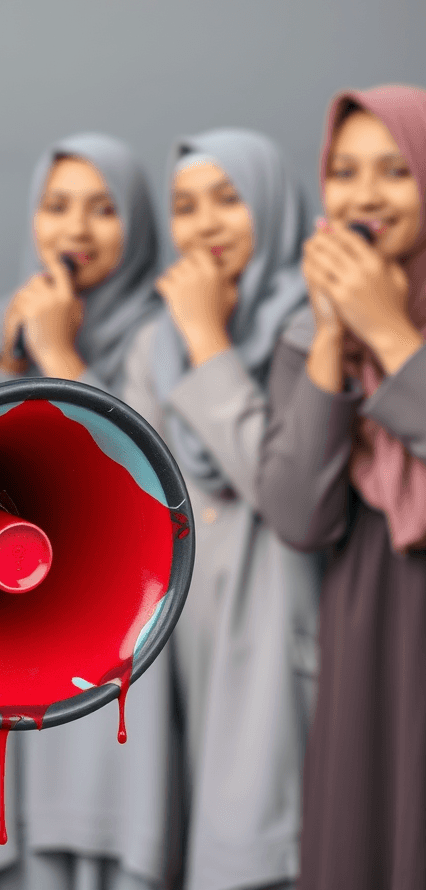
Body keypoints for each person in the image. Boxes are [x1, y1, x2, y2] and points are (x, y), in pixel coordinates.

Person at [0, 133, 172, 890]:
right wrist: (16, 362)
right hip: (19, 642)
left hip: (125, 647)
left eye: (102, 209)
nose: (74, 231)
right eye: (56, 207)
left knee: (112, 835)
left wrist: (60, 354)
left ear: (138, 225)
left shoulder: (166, 332)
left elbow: (146, 486)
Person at [121, 128, 320, 890]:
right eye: (185, 205)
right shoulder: (154, 344)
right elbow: (138, 492)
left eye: (227, 201)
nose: (203, 225)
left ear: (271, 206)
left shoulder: (313, 325)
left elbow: (274, 483)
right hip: (180, 646)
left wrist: (208, 339)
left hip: (280, 635)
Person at [257, 86, 426, 890]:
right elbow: (298, 516)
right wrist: (332, 335)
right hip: (368, 625)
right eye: (345, 171)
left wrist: (393, 335)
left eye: (395, 171)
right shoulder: (309, 330)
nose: (364, 196)